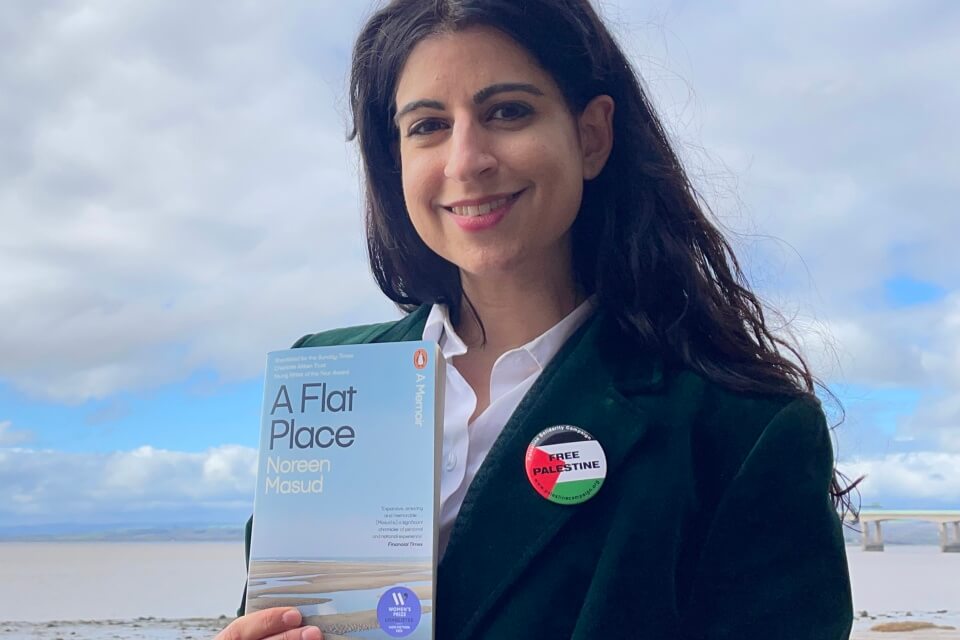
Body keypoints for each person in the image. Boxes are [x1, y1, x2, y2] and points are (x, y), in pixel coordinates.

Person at [217, 1, 855, 638]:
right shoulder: (329, 383)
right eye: (428, 125)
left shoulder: (742, 428)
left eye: (507, 112)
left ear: (591, 137)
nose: (466, 161)